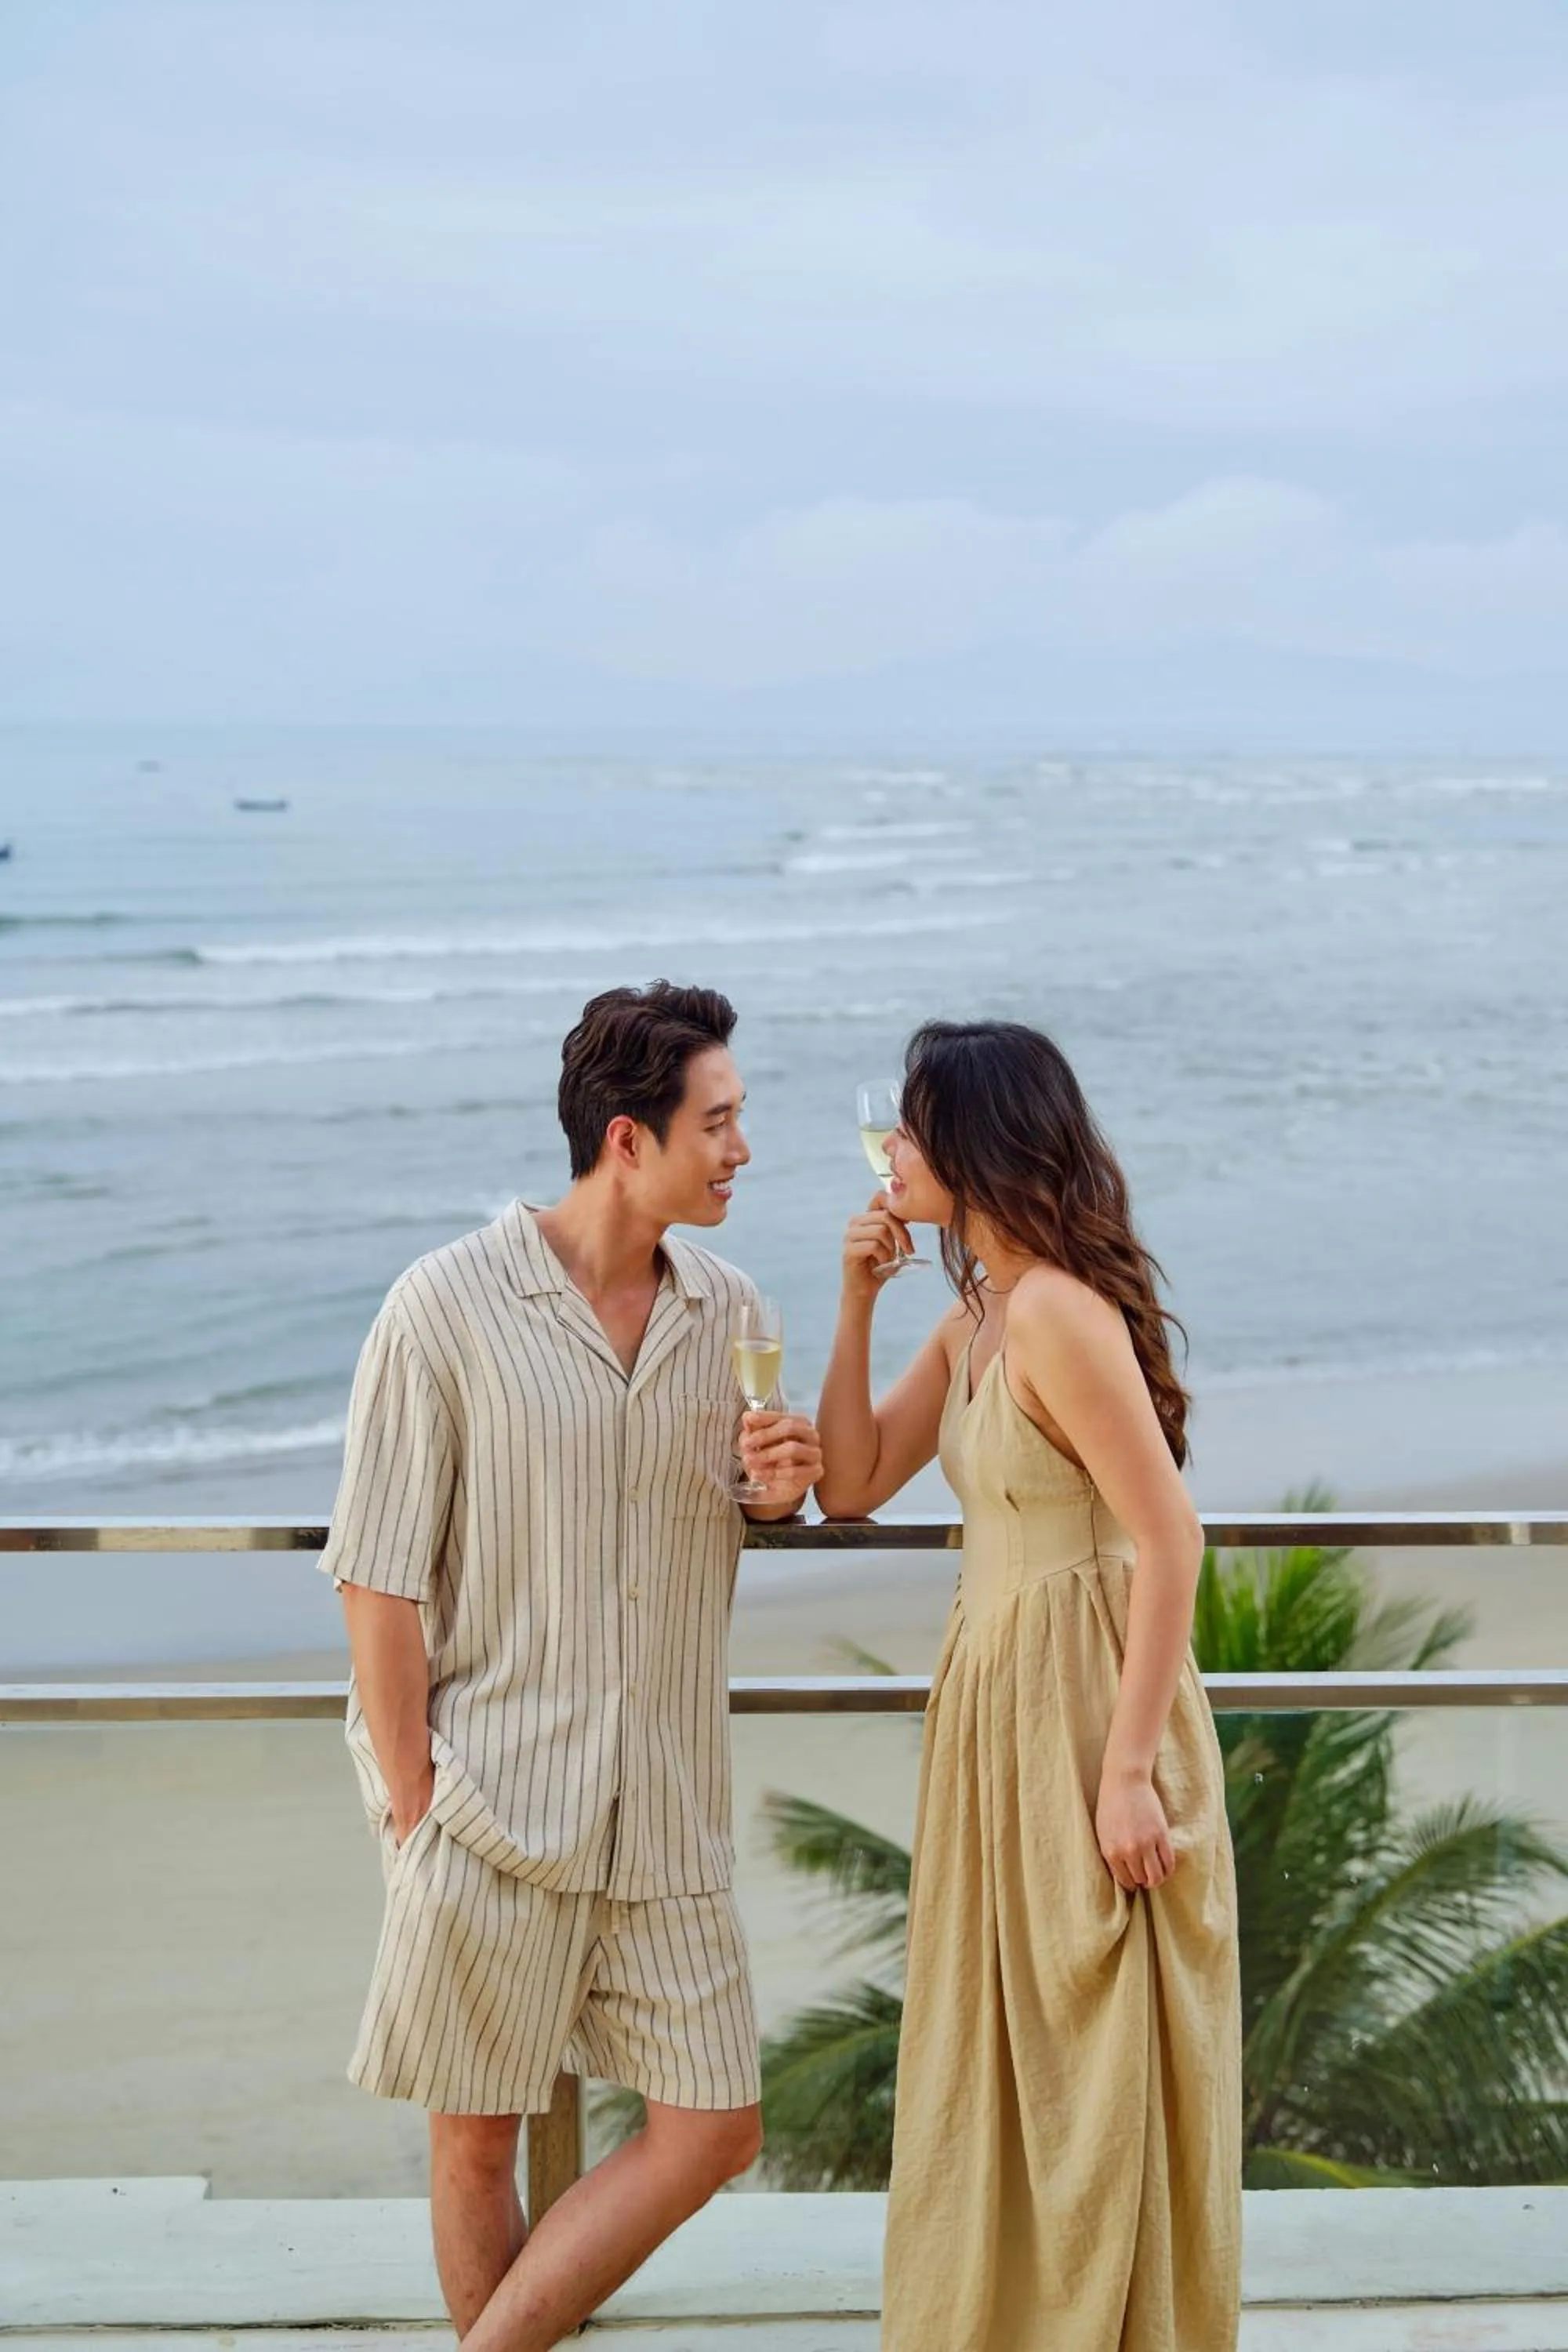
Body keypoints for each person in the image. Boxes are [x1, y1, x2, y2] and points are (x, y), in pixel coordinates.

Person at [320, 982, 822, 2352]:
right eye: (716, 1124)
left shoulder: (730, 1309)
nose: (741, 1150)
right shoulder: (445, 1307)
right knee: (476, 2143)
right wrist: (420, 1803)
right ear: (625, 1140)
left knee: (714, 2127)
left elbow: (742, 1496)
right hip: (494, 1801)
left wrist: (776, 1488)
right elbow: (378, 1572)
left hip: (663, 1808)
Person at [815, 1019, 1241, 2352]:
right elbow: (847, 1484)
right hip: (998, 1706)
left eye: (913, 1125)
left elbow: (1170, 1538)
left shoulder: (1055, 1309)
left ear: (979, 1144)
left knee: (1093, 2053)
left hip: (1088, 1704)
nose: (890, 1146)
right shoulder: (978, 1310)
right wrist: (855, 1298)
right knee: (999, 2052)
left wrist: (1125, 1773)